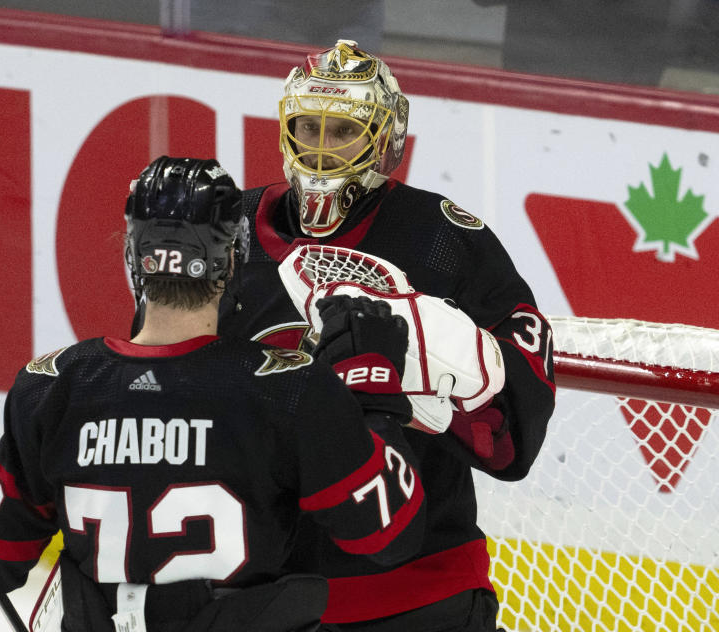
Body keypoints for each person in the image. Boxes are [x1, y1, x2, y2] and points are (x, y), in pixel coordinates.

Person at [0, 156, 428, 632]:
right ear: (232, 259)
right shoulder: (287, 387)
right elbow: (388, 534)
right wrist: (373, 387)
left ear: (133, 254)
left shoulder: (56, 386)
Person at [217, 40, 556, 631]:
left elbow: (515, 439)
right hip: (264, 598)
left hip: (418, 595)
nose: (320, 148)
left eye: (341, 131)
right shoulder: (231, 232)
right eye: (308, 127)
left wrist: (433, 405)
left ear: (382, 140)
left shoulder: (444, 242)